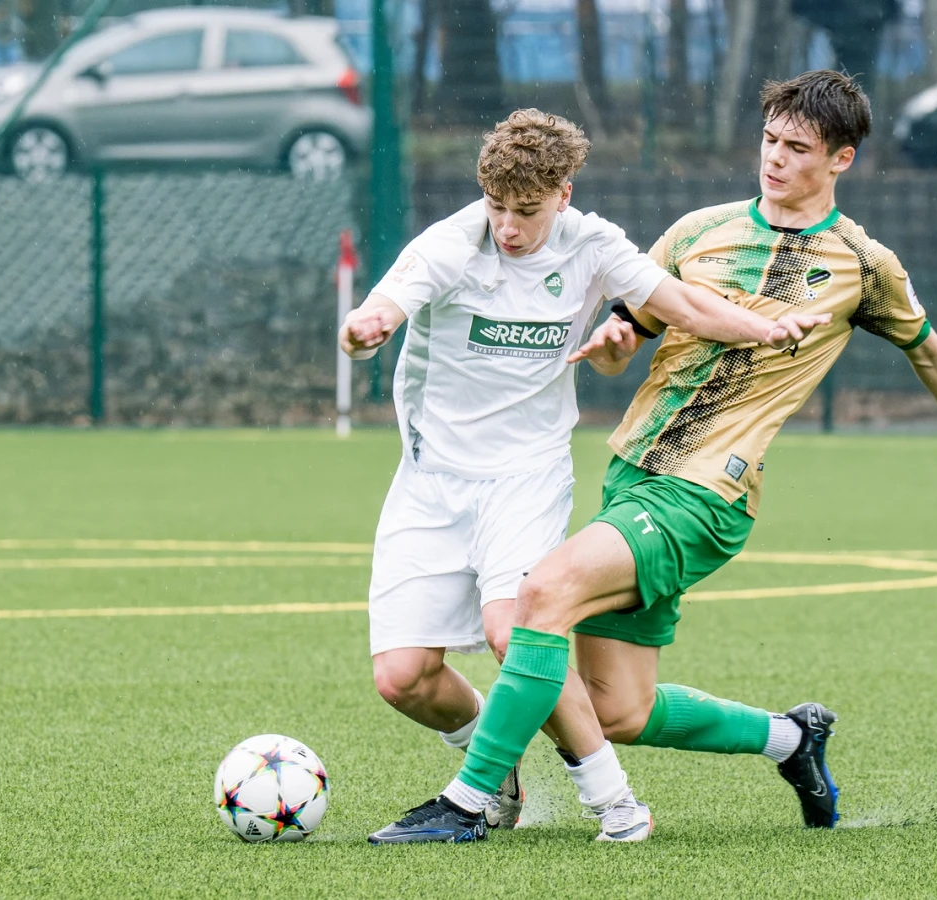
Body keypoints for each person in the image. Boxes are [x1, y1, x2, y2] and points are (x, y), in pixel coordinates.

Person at [368, 70, 937, 845]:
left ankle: (470, 802)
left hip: (705, 493)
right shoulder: (698, 231)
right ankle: (791, 739)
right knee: (618, 710)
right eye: (769, 139)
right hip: (632, 476)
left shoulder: (863, 263)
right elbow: (632, 332)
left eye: (797, 147)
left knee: (539, 598)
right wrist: (613, 345)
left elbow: (932, 355)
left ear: (842, 159)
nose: (774, 158)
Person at [344, 109, 830, 843]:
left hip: (526, 475)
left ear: (563, 195)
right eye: (497, 206)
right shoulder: (451, 243)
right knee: (402, 678)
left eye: (527, 210)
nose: (508, 227)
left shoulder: (593, 244)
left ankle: (615, 806)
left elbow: (680, 303)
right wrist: (366, 329)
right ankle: (496, 768)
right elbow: (386, 304)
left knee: (516, 628)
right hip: (430, 478)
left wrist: (762, 327)